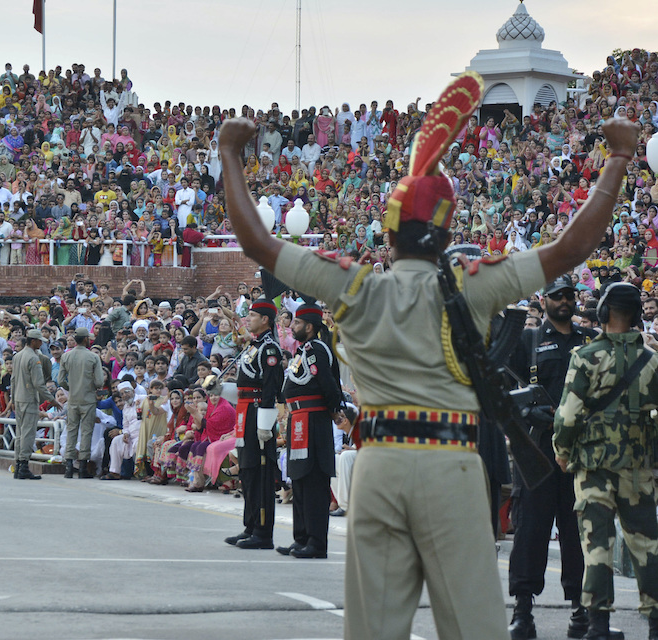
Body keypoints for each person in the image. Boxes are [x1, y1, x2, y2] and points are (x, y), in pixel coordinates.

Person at [217, 72, 638, 638]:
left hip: (381, 463)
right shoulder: (474, 285)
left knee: (374, 629)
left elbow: (256, 242)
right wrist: (618, 156)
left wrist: (230, 152)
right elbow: (572, 247)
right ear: (446, 235)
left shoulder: (354, 286)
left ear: (389, 233)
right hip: (451, 464)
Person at [554, 282, 658, 640]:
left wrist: (562, 451)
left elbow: (568, 415)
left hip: (594, 466)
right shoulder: (652, 360)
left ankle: (598, 625)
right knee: (647, 546)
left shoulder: (586, 356)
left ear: (603, 311)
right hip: (638, 467)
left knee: (597, 545)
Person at [506, 274, 594, 639]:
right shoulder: (527, 340)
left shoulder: (589, 341)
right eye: (557, 296)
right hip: (537, 448)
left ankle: (581, 609)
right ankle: (523, 610)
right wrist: (526, 411)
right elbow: (502, 389)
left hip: (580, 450)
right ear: (544, 301)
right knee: (530, 529)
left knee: (578, 533)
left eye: (569, 296)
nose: (564, 301)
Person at [277, 304, 343, 559]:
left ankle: (316, 543)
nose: (292, 326)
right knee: (300, 479)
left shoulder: (317, 349)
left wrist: (334, 409)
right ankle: (301, 538)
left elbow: (328, 383)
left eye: (297, 323)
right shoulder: (302, 351)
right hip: (298, 419)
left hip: (314, 420)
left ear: (310, 326)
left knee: (313, 481)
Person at [225, 298, 283, 550]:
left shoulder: (269, 349)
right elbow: (244, 387)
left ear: (265, 320)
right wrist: (221, 389)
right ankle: (250, 525)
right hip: (245, 411)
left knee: (260, 473)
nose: (248, 320)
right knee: (248, 470)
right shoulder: (253, 346)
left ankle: (263, 532)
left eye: (253, 316)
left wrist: (265, 425)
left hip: (258, 413)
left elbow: (269, 389)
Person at [57, 327, 105, 478]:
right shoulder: (93, 357)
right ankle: (83, 467)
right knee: (86, 432)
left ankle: (69, 466)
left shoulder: (66, 356)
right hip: (88, 399)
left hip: (72, 399)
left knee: (71, 431)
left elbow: (60, 380)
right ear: (86, 339)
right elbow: (99, 382)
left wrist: (71, 388)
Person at [11, 330, 57, 480]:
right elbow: (39, 384)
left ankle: (18, 465)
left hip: (18, 398)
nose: (41, 343)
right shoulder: (33, 358)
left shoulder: (17, 356)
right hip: (29, 398)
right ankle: (23, 465)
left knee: (20, 434)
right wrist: (52, 400)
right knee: (28, 434)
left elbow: (13, 379)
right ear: (33, 341)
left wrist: (12, 398)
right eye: (39, 341)